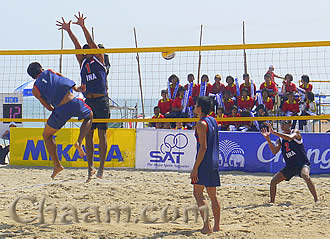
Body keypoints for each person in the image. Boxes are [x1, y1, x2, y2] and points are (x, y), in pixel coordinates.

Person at [57, 12, 110, 182]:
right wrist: (68, 30)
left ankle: (101, 168)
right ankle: (90, 168)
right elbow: (76, 45)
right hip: (89, 101)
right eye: (85, 51)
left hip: (102, 101)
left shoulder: (99, 60)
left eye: (88, 50)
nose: (86, 52)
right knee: (88, 135)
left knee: (102, 135)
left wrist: (83, 26)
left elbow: (90, 43)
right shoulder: (83, 62)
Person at [27, 62, 93, 179]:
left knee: (47, 135)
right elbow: (66, 81)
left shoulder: (35, 90)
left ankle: (57, 165)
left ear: (32, 77)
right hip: (73, 102)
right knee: (89, 115)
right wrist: (78, 89)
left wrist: (56, 110)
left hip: (60, 110)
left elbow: (48, 107)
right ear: (41, 69)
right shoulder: (51, 72)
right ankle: (79, 142)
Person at [260, 121, 318, 203]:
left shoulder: (295, 132)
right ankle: (272, 202)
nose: (282, 126)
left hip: (302, 163)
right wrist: (268, 139)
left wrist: (274, 132)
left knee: (305, 175)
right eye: (281, 124)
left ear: (290, 125)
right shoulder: (280, 139)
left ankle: (316, 199)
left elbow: (290, 138)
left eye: (284, 124)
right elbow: (274, 151)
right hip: (290, 166)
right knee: (273, 181)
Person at [191, 96, 221, 234]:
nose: (194, 107)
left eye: (196, 105)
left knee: (198, 193)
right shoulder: (213, 121)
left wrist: (195, 168)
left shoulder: (201, 124)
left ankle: (206, 226)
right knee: (213, 195)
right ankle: (216, 226)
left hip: (204, 162)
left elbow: (203, 147)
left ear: (200, 107)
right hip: (214, 161)